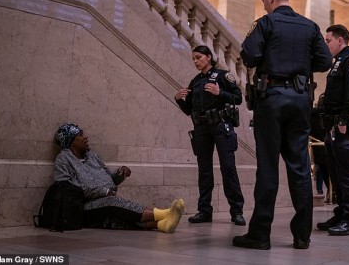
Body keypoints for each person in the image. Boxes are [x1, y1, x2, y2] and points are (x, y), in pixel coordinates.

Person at [234, 0, 332, 250]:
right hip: (300, 101)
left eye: (264, 1)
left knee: (267, 167)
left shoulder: (265, 23)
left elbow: (250, 55)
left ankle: (260, 235)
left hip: (271, 99)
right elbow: (325, 61)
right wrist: (300, 65)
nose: (264, 5)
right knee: (300, 167)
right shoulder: (310, 26)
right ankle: (302, 236)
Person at [53, 123, 184, 233]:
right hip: (84, 207)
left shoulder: (92, 155)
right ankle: (165, 213)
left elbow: (110, 178)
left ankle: (162, 225)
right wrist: (103, 192)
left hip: (105, 201)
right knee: (113, 203)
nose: (85, 137)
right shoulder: (63, 160)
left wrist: (120, 174)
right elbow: (68, 188)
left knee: (116, 218)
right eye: (80, 135)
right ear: (71, 142)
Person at [175, 45, 246, 226]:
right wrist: (178, 100)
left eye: (199, 57)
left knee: (228, 168)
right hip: (201, 129)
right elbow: (189, 110)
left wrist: (219, 92)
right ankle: (204, 210)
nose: (196, 61)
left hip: (221, 126)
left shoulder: (223, 76)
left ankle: (237, 211)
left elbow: (238, 98)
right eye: (194, 59)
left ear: (208, 57)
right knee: (204, 170)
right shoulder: (195, 81)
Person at [316, 24, 349, 236]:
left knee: (346, 174)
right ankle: (341, 213)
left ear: (340, 40)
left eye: (328, 40)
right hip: (332, 127)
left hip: (343, 127)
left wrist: (344, 119)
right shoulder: (337, 63)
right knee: (336, 174)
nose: (326, 44)